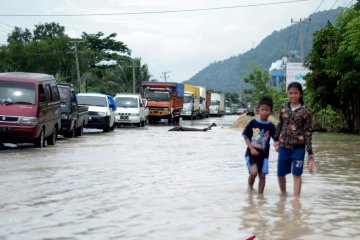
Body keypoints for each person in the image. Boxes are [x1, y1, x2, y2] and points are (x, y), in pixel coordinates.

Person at [273, 81, 315, 197]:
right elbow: (280, 125)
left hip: (299, 148)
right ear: (287, 94)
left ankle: (296, 200)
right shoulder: (283, 108)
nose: (293, 95)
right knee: (280, 174)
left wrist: (310, 152)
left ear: (300, 94)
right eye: (290, 93)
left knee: (297, 174)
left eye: (296, 93)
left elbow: (308, 132)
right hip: (283, 147)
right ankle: (283, 196)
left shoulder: (305, 111)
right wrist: (275, 140)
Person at [242, 97, 276, 194]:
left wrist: (277, 145)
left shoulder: (271, 126)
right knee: (253, 172)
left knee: (262, 176)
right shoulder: (253, 122)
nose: (264, 112)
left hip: (264, 155)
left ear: (271, 112)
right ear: (258, 110)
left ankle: (260, 196)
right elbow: (245, 136)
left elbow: (276, 139)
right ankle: (250, 188)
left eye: (267, 110)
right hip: (251, 153)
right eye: (262, 109)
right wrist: (251, 148)